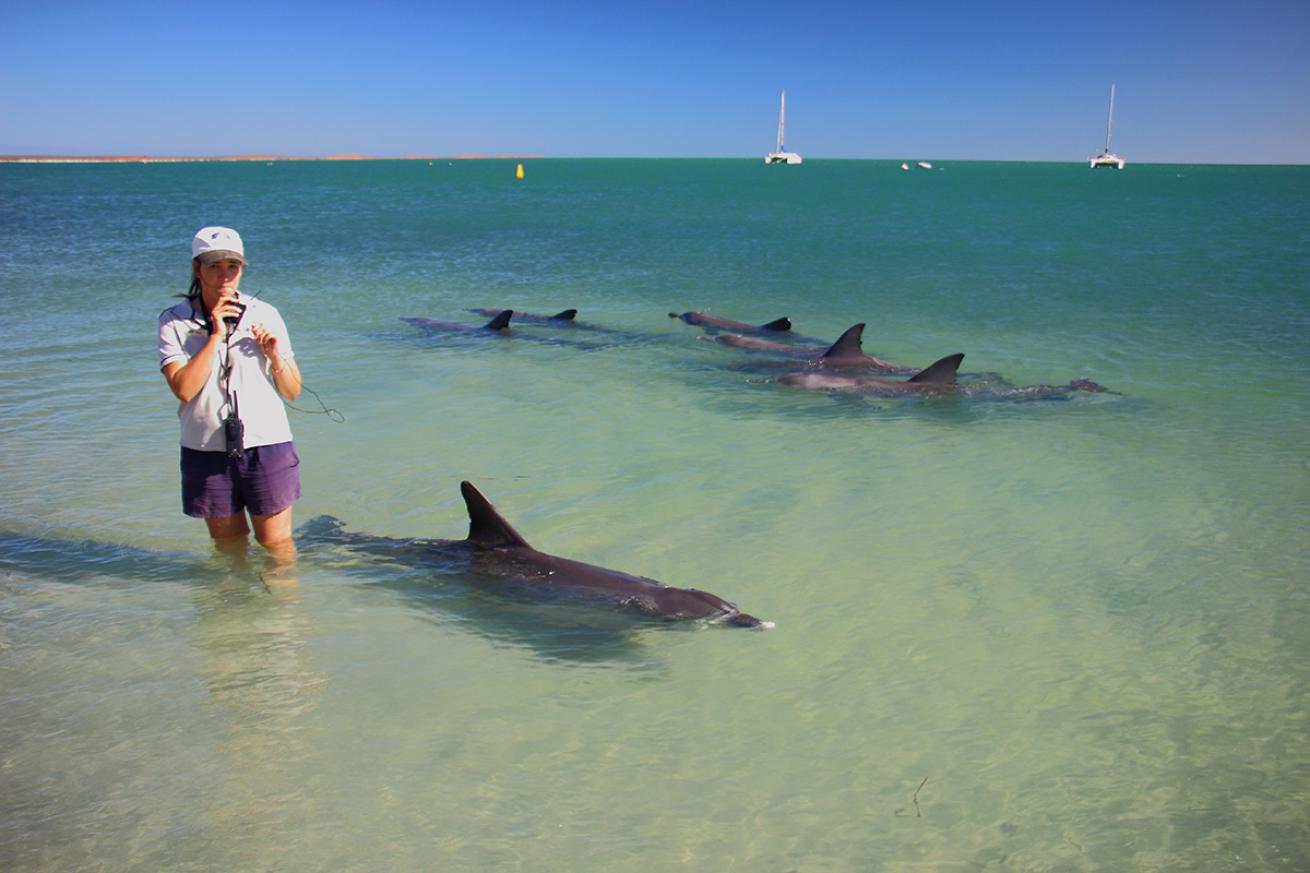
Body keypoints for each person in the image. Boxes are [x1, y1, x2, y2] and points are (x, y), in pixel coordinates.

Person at [157, 226, 303, 554]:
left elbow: (292, 391)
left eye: (232, 267)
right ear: (197, 268)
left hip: (267, 443)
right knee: (228, 547)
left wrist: (274, 354)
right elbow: (184, 388)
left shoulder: (265, 314)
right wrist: (215, 336)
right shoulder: (174, 322)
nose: (225, 277)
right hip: (205, 446)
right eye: (214, 266)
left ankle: (284, 607)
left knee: (276, 545)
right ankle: (233, 605)